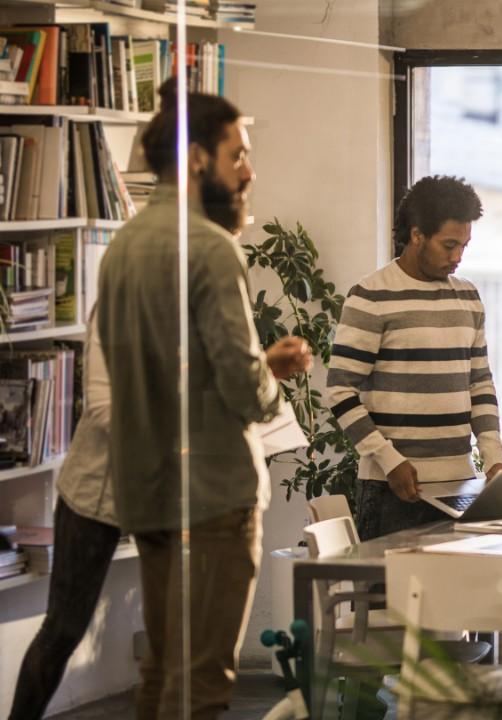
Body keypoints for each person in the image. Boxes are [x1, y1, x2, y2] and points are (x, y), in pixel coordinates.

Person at [97, 79, 312, 720]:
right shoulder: (212, 250)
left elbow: (162, 368)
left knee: (163, 672)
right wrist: (272, 374)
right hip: (215, 494)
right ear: (196, 158)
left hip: (150, 490)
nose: (249, 170)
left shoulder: (124, 244)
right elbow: (247, 394)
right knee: (206, 684)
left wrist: (252, 365)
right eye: (237, 154)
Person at [328, 175, 502, 540]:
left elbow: (480, 386)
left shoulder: (468, 297)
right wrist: (389, 461)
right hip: (394, 490)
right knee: (387, 598)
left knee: (453, 596)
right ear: (416, 235)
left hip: (461, 487)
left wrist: (494, 459)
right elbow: (339, 391)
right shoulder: (371, 296)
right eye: (449, 245)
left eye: (464, 246)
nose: (457, 257)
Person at [8, 311, 117, 720]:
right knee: (63, 630)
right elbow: (106, 409)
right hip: (92, 491)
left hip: (155, 491)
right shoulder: (119, 294)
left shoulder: (192, 296)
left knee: (174, 634)